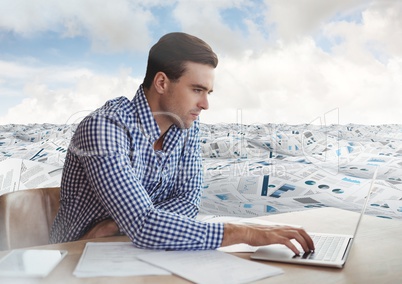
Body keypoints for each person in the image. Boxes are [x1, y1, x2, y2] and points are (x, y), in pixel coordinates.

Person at [50, 32, 314, 255]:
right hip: (72, 255)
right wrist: (242, 232)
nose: (205, 104)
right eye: (197, 90)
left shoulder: (185, 125)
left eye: (208, 93)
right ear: (162, 82)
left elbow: (188, 201)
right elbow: (142, 225)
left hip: (132, 250)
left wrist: (117, 225)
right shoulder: (105, 127)